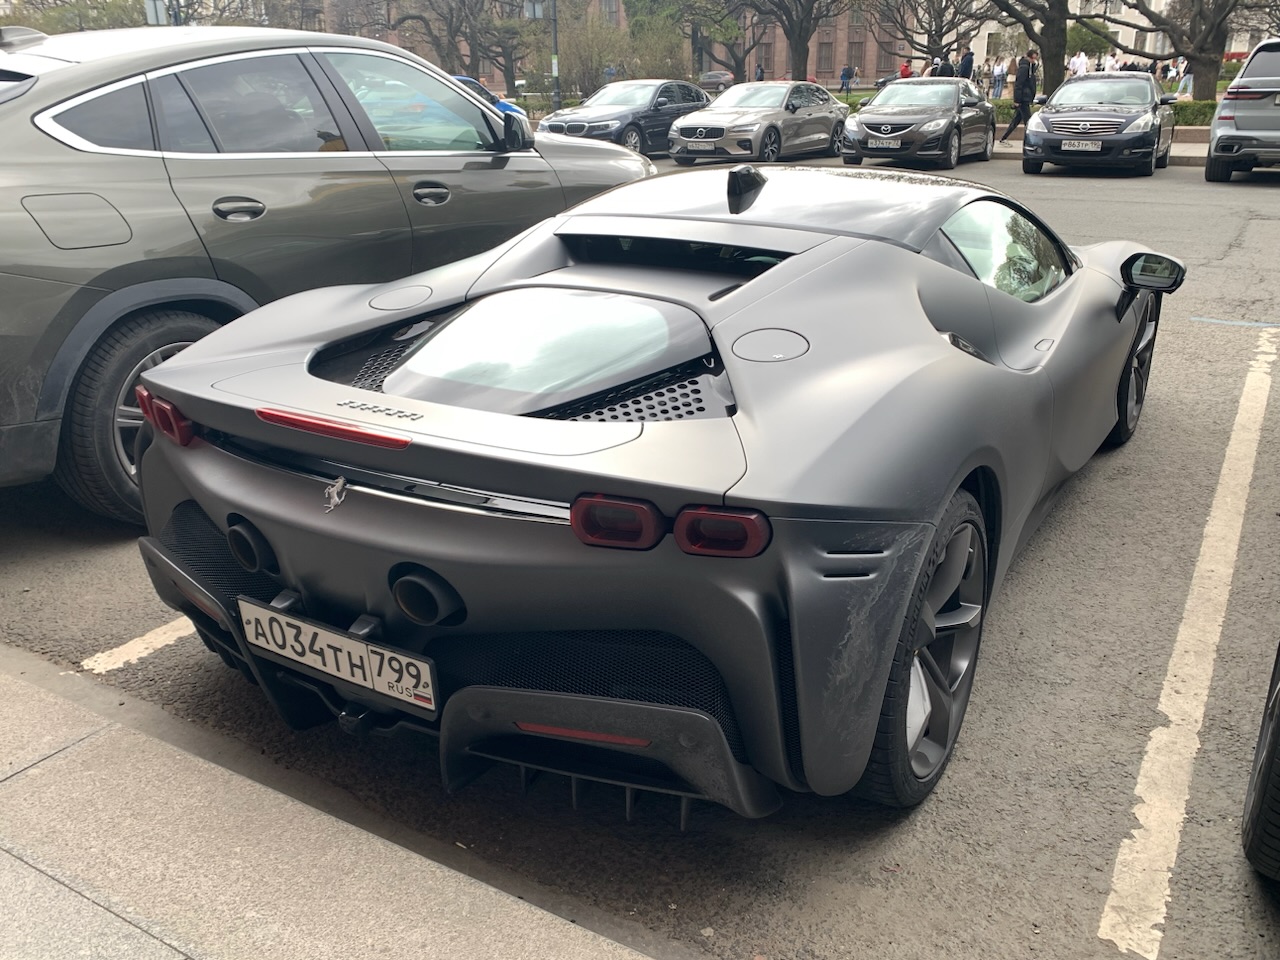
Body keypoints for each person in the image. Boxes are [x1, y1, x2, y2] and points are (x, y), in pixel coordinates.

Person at [999, 48, 1039, 144]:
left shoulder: (1029, 67)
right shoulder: (1024, 68)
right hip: (1023, 98)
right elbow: (1019, 84)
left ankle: (1004, 138)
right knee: (1028, 121)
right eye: (1033, 59)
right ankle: (1031, 141)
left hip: (1025, 97)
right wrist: (1017, 100)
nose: (1035, 61)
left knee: (1017, 120)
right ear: (1029, 58)